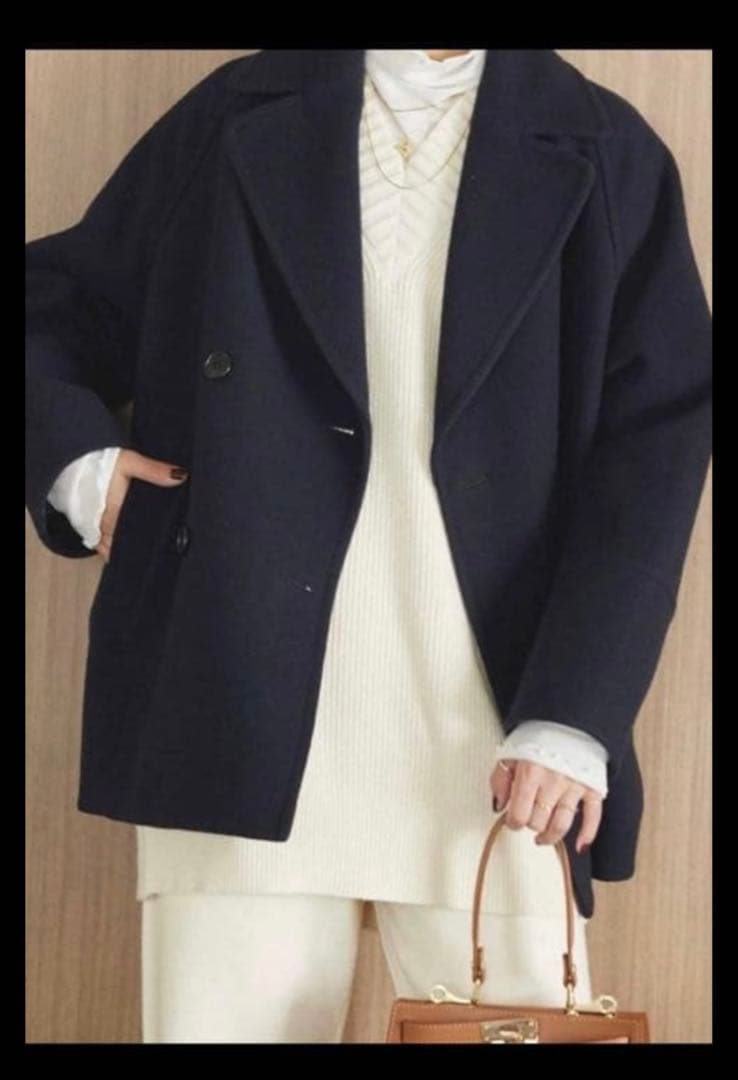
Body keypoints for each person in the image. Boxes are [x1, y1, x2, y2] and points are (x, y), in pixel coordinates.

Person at [26, 48, 712, 1043]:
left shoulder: (603, 149)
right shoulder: (239, 115)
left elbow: (653, 457)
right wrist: (81, 471)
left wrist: (576, 713)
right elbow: (49, 309)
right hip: (236, 701)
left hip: (500, 738)